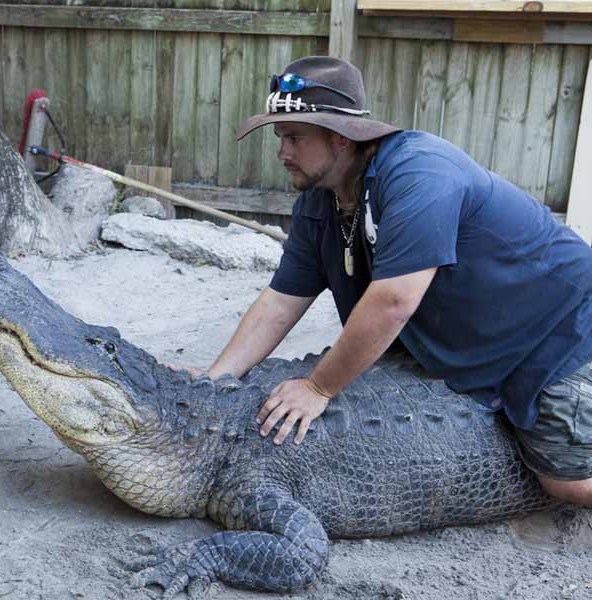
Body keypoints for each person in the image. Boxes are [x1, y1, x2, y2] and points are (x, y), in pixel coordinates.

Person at [176, 56, 592, 506]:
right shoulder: (321, 203)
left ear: (339, 137)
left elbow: (394, 300)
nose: (282, 153)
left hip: (561, 326)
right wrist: (217, 378)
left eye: (294, 137)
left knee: (568, 484)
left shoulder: (419, 173)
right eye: (280, 138)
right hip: (480, 333)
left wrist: (318, 388)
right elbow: (281, 300)